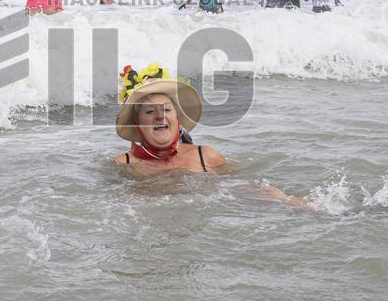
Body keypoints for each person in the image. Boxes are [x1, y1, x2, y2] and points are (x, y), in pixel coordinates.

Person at [113, 64, 310, 208]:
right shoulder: (123, 164)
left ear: (178, 118)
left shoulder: (206, 155)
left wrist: (283, 199)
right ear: (137, 124)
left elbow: (242, 183)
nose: (160, 116)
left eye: (166, 109)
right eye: (149, 111)